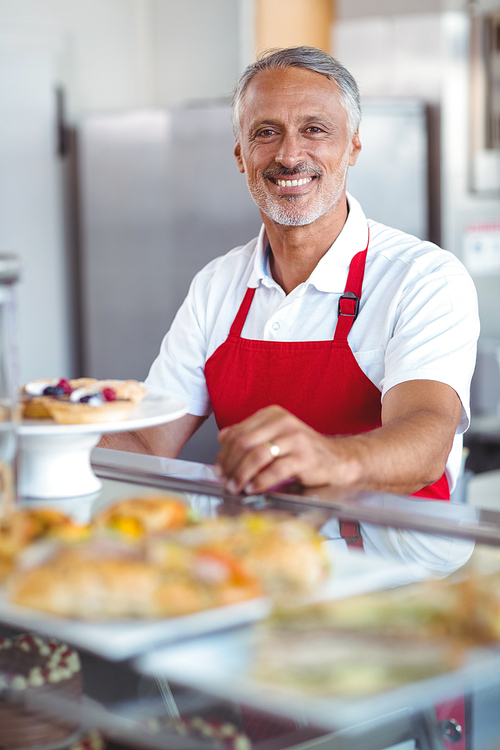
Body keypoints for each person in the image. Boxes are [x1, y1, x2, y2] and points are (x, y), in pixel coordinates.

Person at [100, 46, 479, 503]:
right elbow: (146, 443)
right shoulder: (216, 285)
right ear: (241, 153)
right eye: (266, 132)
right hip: (259, 557)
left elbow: (427, 443)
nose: (289, 154)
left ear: (353, 144)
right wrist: (43, 433)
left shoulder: (422, 277)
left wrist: (326, 459)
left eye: (314, 129)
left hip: (395, 561)